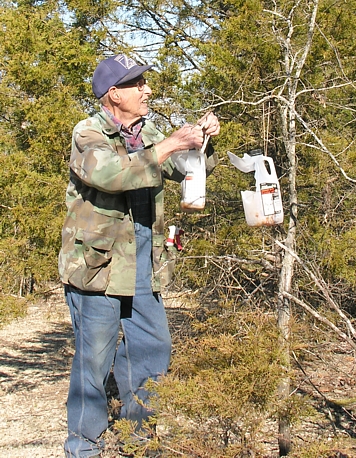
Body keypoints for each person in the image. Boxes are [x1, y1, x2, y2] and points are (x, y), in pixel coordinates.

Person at [58, 53, 220, 457]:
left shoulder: (147, 136)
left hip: (144, 272)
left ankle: (139, 440)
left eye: (145, 83)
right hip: (98, 273)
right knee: (93, 366)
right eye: (138, 84)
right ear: (114, 94)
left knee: (153, 354)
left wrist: (203, 140)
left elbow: (186, 168)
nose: (147, 90)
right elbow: (110, 174)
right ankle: (83, 447)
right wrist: (169, 144)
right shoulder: (87, 133)